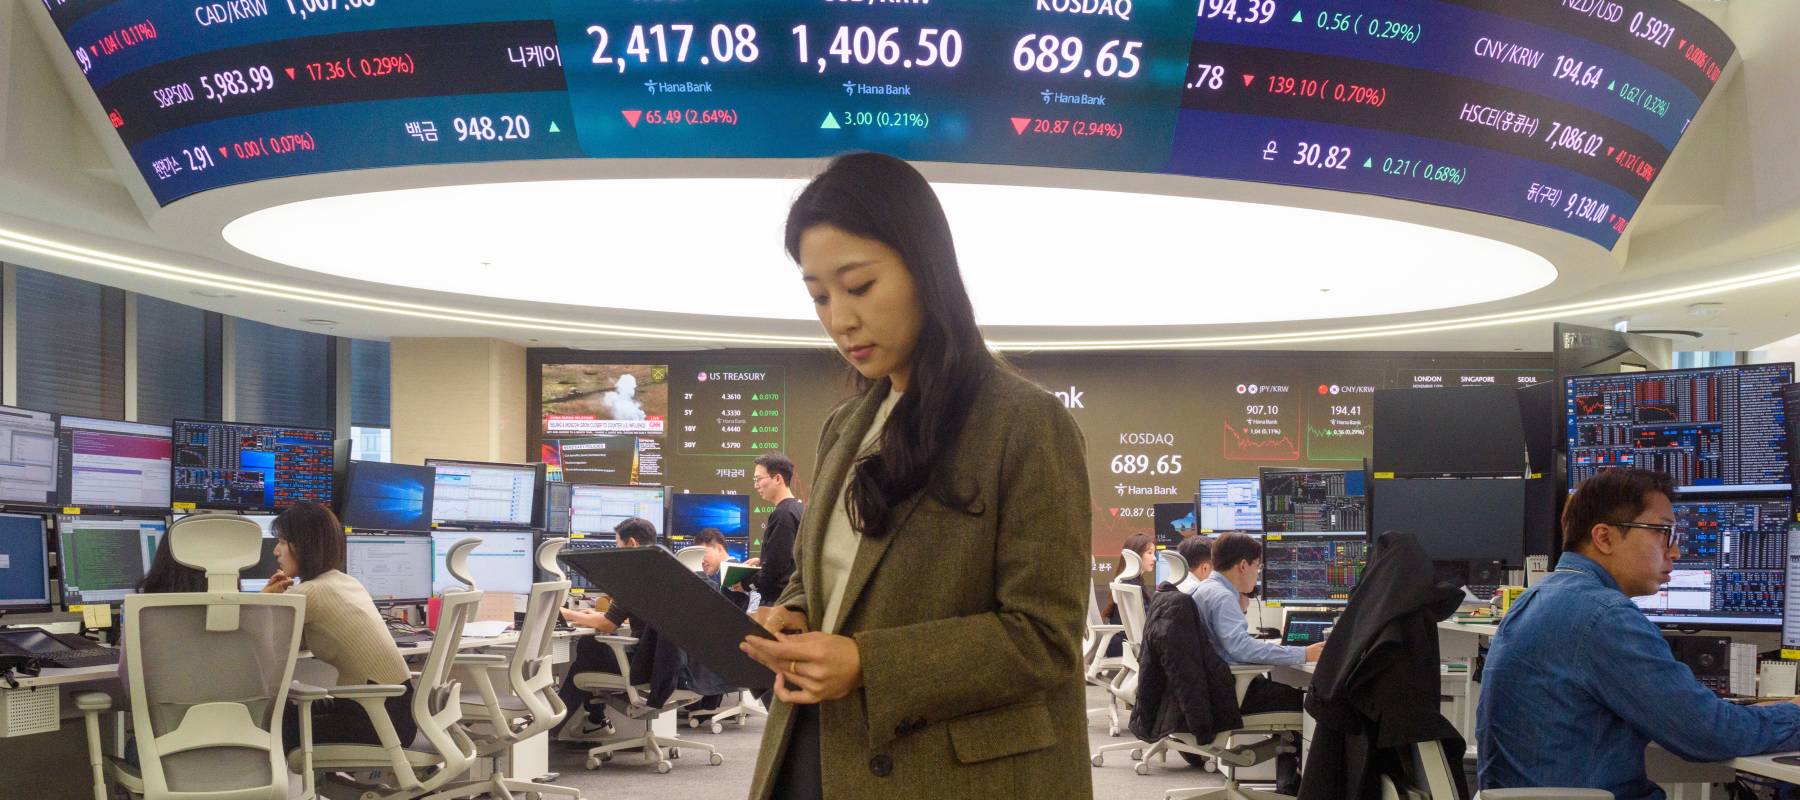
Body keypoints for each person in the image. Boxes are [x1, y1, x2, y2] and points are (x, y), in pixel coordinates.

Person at [737, 152, 1092, 799]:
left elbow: (1046, 636)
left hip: (949, 772)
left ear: (925, 269)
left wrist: (869, 663)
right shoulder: (845, 425)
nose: (839, 318)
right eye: (819, 296)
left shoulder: (1023, 423)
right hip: (816, 745)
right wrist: (794, 613)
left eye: (859, 286)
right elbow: (828, 578)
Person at [1477, 468, 1800, 799]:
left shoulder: (1537, 598)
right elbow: (1710, 733)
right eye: (1663, 532)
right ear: (1604, 538)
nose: (1674, 552)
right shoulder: (1604, 616)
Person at [262, 501, 415, 752]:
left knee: (274, 725)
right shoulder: (345, 581)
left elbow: (260, 641)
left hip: (376, 721)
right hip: (395, 712)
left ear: (302, 545)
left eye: (281, 541)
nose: (276, 551)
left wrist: (265, 598)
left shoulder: (308, 593)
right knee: (290, 713)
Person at [1192, 532, 1324, 794]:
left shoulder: (1206, 589)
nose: (1257, 575)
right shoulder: (1220, 596)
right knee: (1317, 705)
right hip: (1233, 694)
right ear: (1243, 565)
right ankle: (1298, 787)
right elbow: (1241, 649)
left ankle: (1290, 784)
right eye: (1257, 567)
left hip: (1214, 691)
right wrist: (1304, 654)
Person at [554, 516, 658, 742]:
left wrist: (567, 614)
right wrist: (595, 616)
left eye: (618, 547)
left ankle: (558, 728)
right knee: (590, 650)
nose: (616, 553)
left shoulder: (633, 578)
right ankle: (591, 720)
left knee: (589, 647)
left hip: (642, 665)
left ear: (631, 544)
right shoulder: (662, 572)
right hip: (663, 664)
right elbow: (616, 617)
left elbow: (607, 625)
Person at [744, 452, 802, 602]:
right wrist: (762, 560)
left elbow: (776, 566)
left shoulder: (782, 514)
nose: (755, 485)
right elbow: (790, 558)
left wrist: (746, 584)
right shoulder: (798, 510)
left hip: (779, 602)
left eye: (758, 479)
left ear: (777, 479)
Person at [1101, 533, 1157, 658]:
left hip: (1126, 643)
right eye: (1150, 553)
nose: (1154, 558)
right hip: (1126, 646)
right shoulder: (1129, 585)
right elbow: (1146, 620)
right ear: (1135, 555)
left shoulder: (1131, 582)